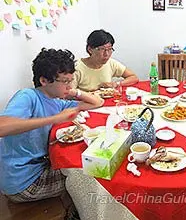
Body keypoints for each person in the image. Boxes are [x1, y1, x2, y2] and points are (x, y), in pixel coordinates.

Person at [0, 48, 103, 204]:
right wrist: (54, 119)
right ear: (44, 81)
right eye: (65, 81)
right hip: (23, 182)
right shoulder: (28, 96)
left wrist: (74, 91)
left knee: (89, 164)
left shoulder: (58, 100)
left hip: (39, 167)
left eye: (71, 80)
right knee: (90, 178)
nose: (69, 86)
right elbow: (2, 127)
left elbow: (98, 103)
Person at [72, 29, 139, 92]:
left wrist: (116, 84)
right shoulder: (76, 68)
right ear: (90, 49)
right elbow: (68, 94)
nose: (106, 54)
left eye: (109, 49)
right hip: (86, 103)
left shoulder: (110, 63)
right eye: (102, 49)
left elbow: (133, 77)